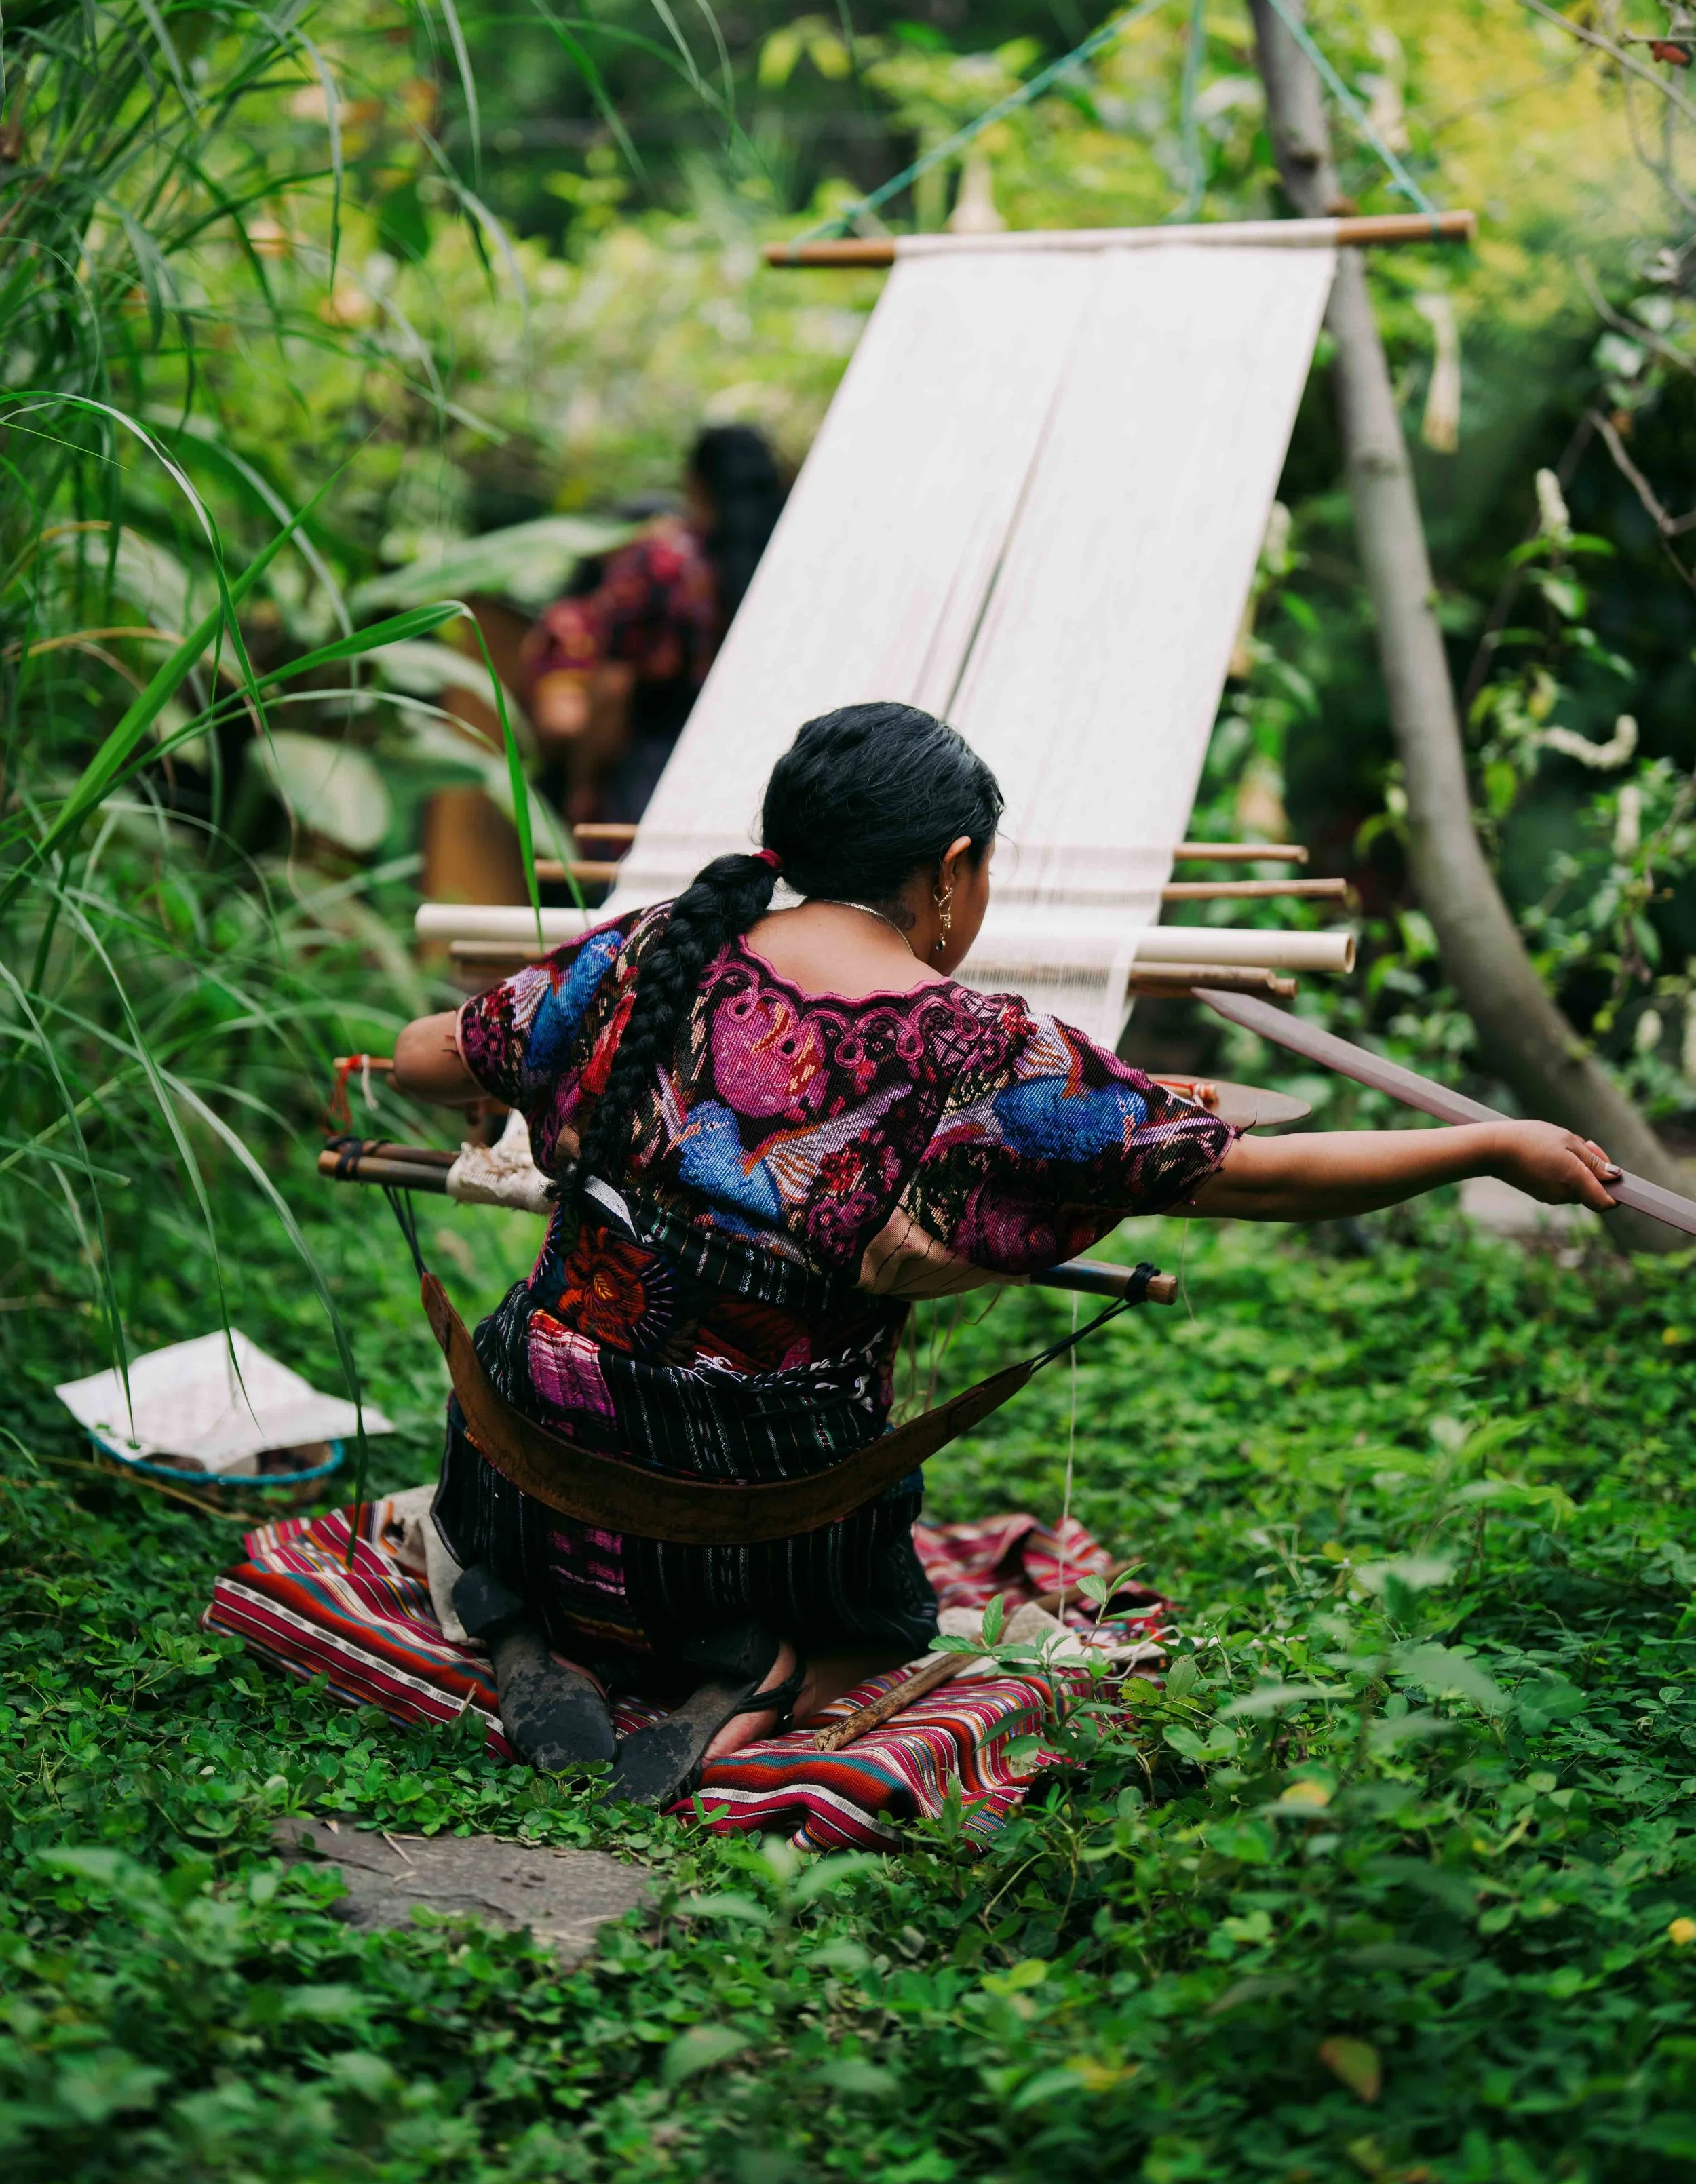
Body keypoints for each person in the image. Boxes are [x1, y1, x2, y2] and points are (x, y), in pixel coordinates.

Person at [392, 701, 1621, 1804]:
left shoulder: (659, 950)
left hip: (530, 1443)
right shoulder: (978, 1044)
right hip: (763, 1499)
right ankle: (768, 1663)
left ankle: (528, 1629)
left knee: (528, 1429)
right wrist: (1487, 1147)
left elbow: (425, 1059)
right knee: (887, 1619)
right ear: (952, 871)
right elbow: (1255, 1171)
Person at [521, 424, 787, 823]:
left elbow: (614, 686)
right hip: (752, 762)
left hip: (652, 766)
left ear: (695, 482)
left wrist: (585, 783)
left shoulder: (666, 563)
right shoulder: (784, 564)